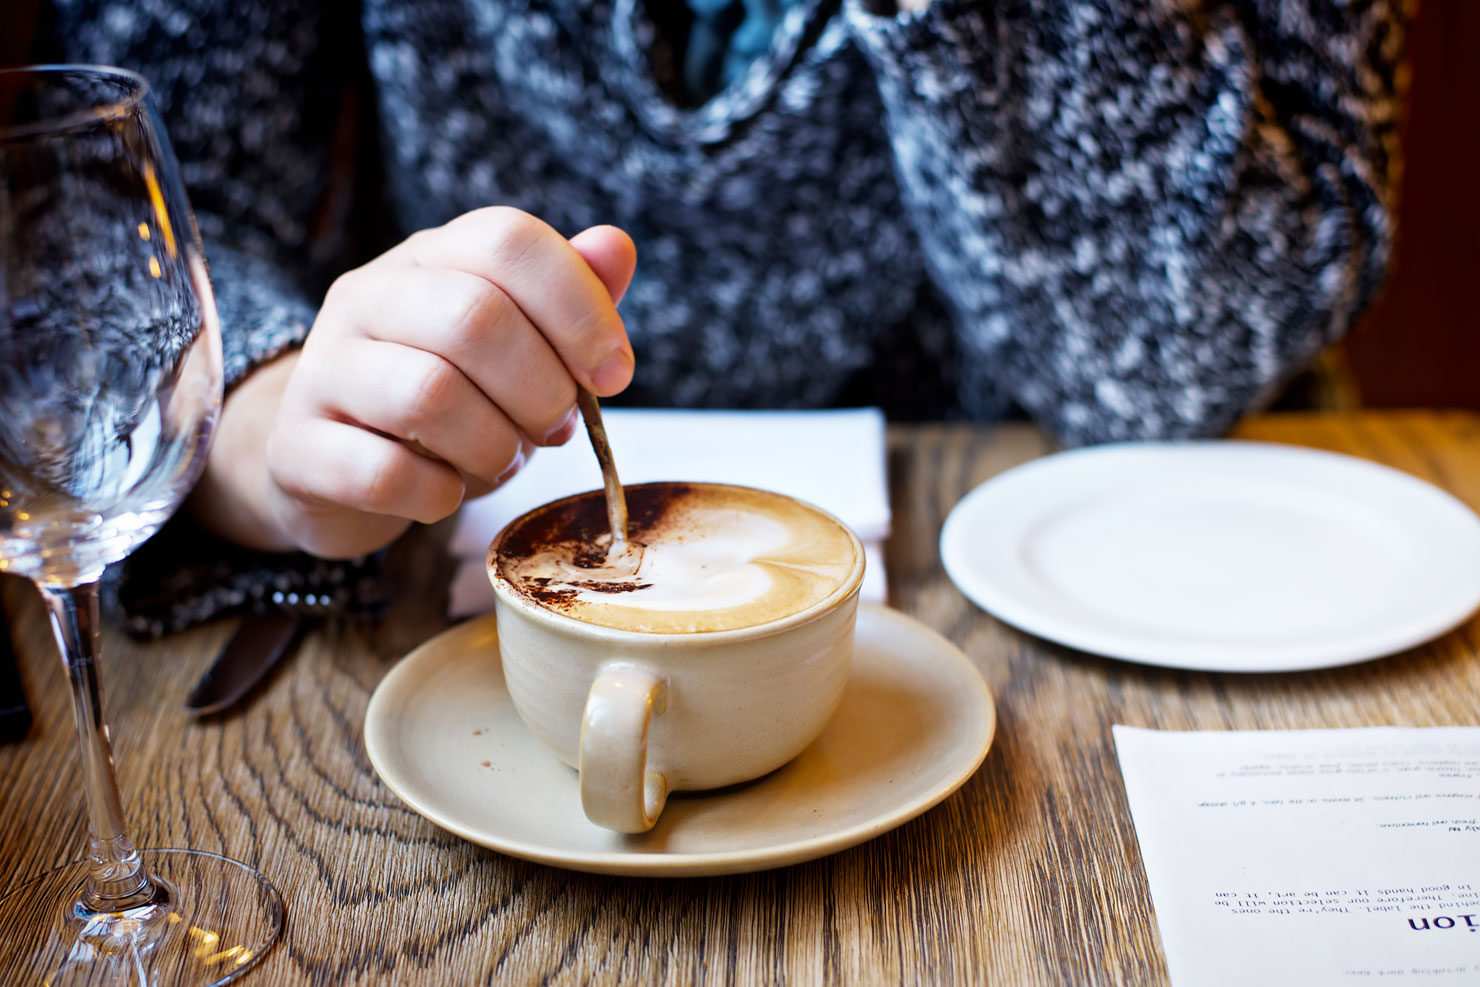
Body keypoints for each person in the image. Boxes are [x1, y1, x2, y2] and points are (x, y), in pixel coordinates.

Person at [34, 0, 1407, 634]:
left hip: (1126, 559)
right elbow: (110, 207)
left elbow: (1189, 345)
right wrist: (271, 420)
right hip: (431, 572)